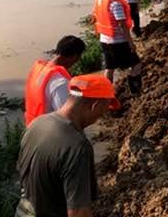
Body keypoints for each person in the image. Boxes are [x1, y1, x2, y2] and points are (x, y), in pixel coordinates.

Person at [15, 74, 121, 217]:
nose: (100, 117)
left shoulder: (37, 124)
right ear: (94, 106)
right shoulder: (77, 147)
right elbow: (78, 213)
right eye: (103, 110)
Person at [91, 0, 142, 95]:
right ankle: (135, 92)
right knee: (136, 64)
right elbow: (122, 25)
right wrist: (131, 43)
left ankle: (106, 94)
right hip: (118, 42)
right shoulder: (116, 3)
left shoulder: (102, 0)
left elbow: (93, 18)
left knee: (110, 68)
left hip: (104, 40)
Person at [24, 35, 86, 127]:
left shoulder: (40, 70)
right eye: (78, 58)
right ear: (74, 57)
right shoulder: (60, 83)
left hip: (32, 128)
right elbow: (67, 118)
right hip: (49, 132)